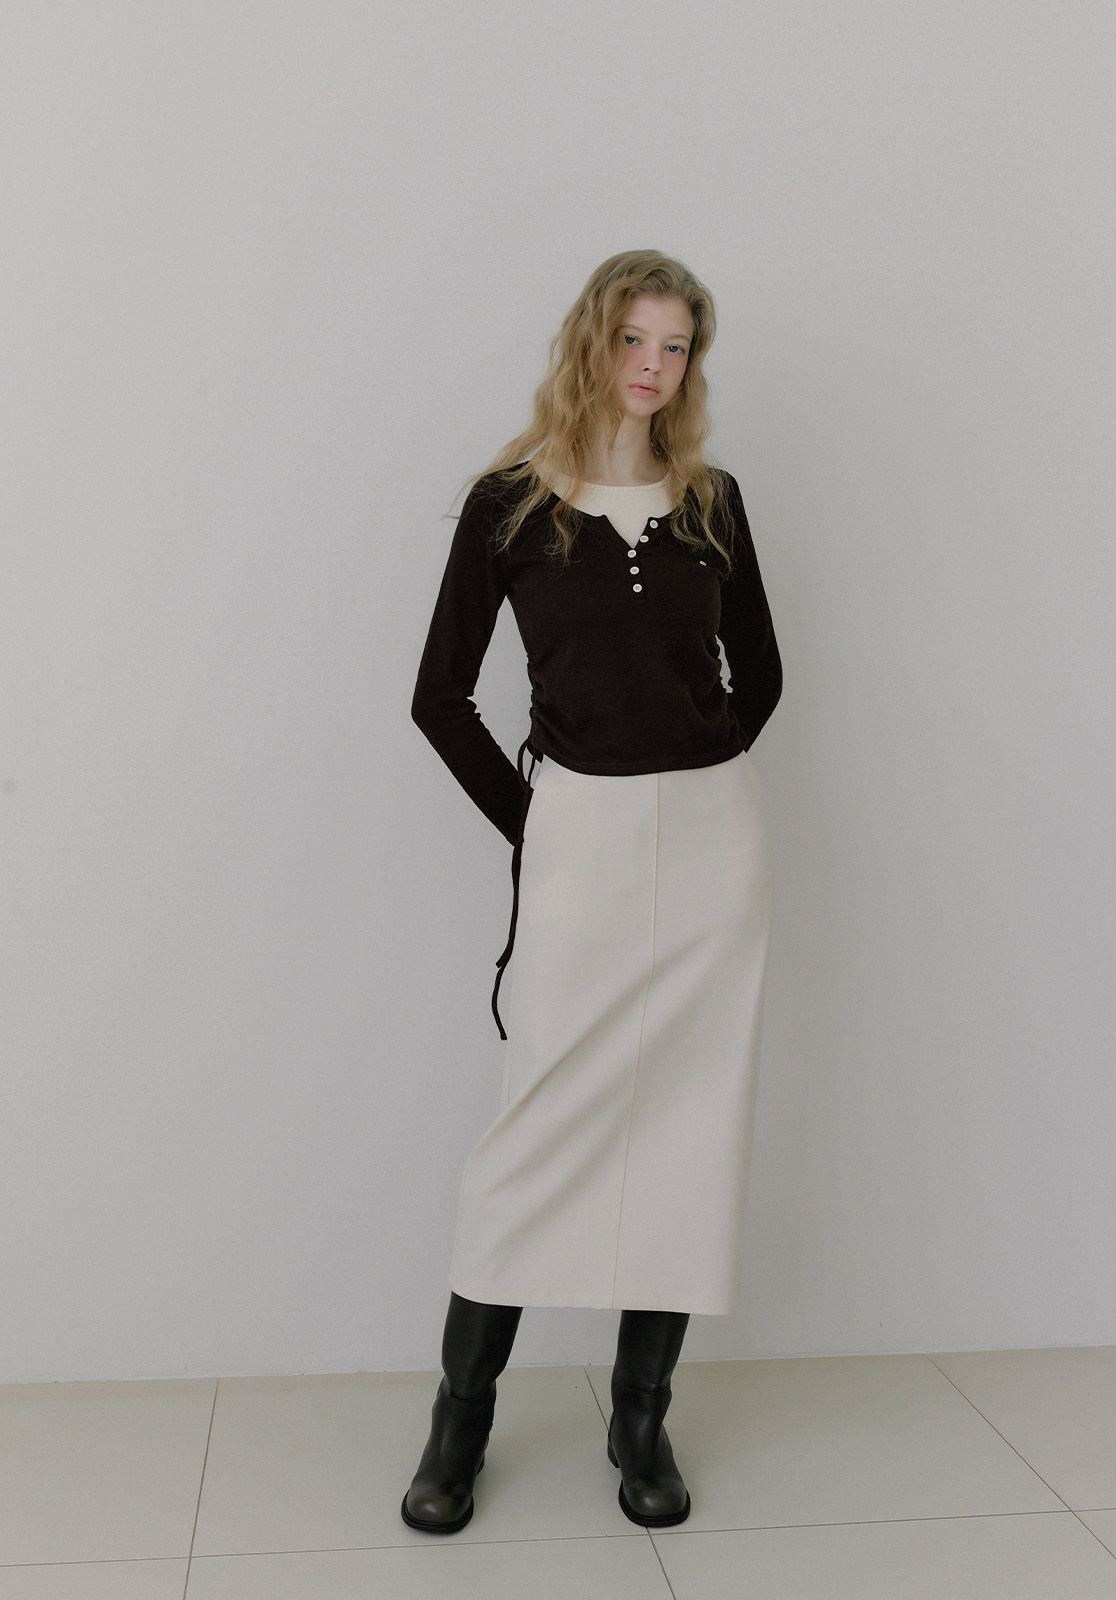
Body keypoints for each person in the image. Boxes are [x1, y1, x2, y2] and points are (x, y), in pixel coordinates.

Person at [405, 249, 783, 1534]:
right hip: (581, 840)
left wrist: (699, 771)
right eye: (634, 338)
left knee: (689, 1126)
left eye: (676, 346)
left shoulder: (712, 500)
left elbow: (761, 674)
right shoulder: (510, 505)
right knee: (537, 1128)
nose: (653, 365)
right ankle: (459, 1423)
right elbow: (438, 697)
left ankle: (640, 1418)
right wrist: (544, 825)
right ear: (591, 341)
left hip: (715, 846)